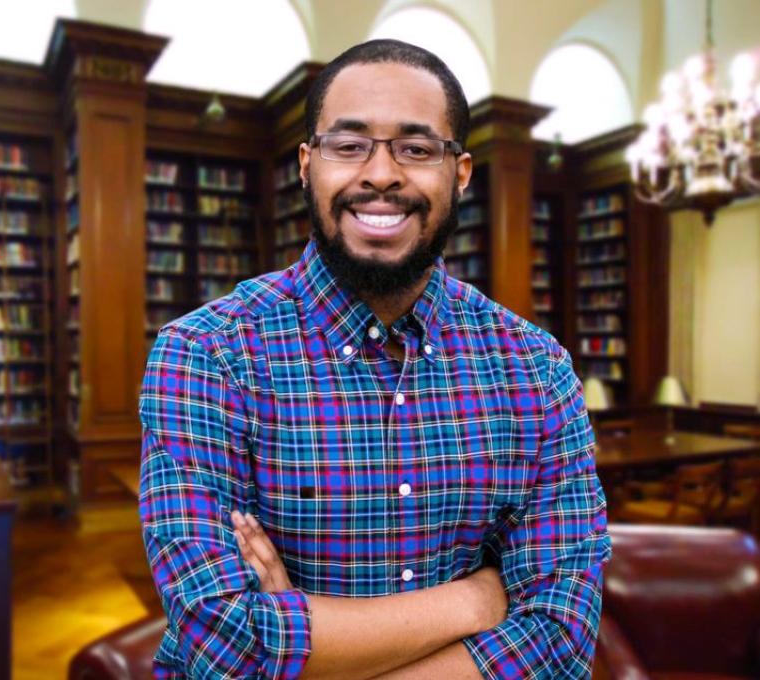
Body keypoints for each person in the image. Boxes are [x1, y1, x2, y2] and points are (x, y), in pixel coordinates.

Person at [140, 39, 611, 680]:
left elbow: (561, 638)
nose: (382, 174)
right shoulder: (206, 355)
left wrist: (300, 636)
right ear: (307, 165)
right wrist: (478, 597)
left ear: (461, 172)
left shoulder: (538, 369)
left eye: (416, 149)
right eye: (349, 144)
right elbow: (225, 643)